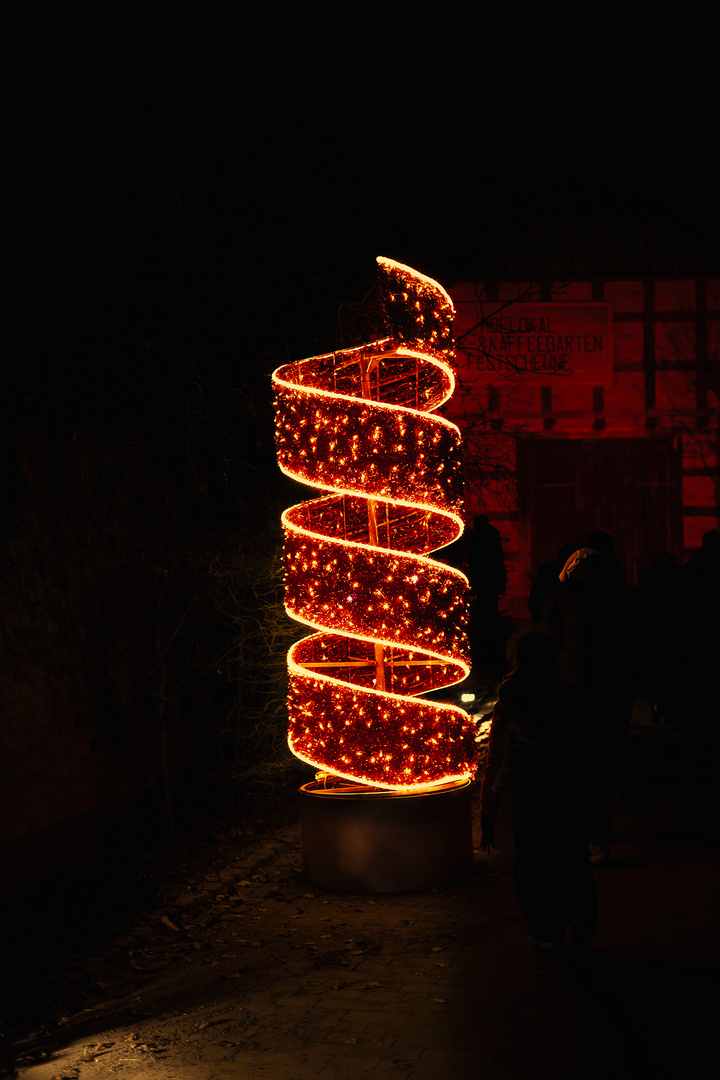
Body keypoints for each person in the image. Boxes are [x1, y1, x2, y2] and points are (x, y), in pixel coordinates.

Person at [480, 632, 597, 947]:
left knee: (534, 864)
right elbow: (591, 751)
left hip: (531, 797)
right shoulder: (571, 698)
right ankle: (581, 917)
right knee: (572, 857)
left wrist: (488, 811)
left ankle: (547, 928)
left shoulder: (511, 701)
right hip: (569, 791)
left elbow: (498, 762)